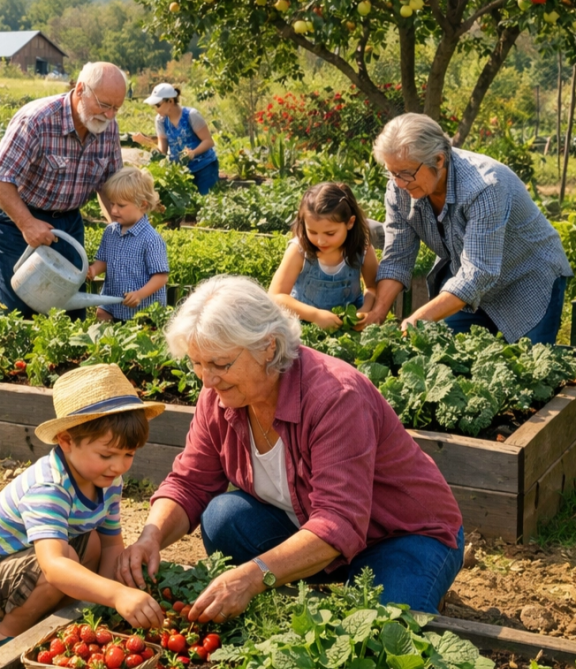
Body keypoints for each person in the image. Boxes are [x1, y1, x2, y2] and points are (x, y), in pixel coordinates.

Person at [117, 276, 465, 615]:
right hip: (311, 524)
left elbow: (339, 520)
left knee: (385, 624)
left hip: (401, 533)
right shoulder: (219, 397)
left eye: (220, 364)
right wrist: (151, 537)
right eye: (197, 364)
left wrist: (251, 577)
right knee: (223, 519)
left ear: (268, 346)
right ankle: (313, 575)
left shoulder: (335, 397)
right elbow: (189, 483)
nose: (207, 380)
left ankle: (416, 581)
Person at [0, 364, 167, 654]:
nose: (119, 466)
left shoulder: (108, 480)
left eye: (128, 454)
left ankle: (61, 622)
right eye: (106, 454)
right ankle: (5, 637)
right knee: (65, 559)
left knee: (93, 542)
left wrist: (103, 610)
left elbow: (111, 545)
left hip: (30, 566)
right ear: (66, 441)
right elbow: (55, 566)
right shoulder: (49, 486)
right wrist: (118, 594)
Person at [362, 113, 571, 344]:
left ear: (438, 160)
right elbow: (397, 258)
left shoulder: (484, 186)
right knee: (443, 352)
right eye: (392, 173)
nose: (399, 183)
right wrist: (377, 313)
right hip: (467, 281)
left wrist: (419, 318)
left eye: (406, 173)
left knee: (528, 363)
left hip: (527, 279)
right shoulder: (399, 189)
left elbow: (479, 271)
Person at [0, 63, 127, 317]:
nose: (109, 115)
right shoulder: (37, 120)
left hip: (67, 223)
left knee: (67, 311)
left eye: (116, 108)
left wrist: (122, 233)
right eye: (104, 105)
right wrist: (27, 224)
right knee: (18, 312)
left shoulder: (107, 127)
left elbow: (110, 187)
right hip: (17, 219)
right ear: (80, 90)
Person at [269, 182, 379, 331]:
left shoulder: (362, 249)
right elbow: (275, 296)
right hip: (304, 324)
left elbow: (372, 287)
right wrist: (315, 316)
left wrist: (365, 310)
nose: (321, 241)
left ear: (350, 223)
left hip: (348, 325)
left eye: (330, 233)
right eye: (313, 232)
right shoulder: (299, 251)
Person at [86, 167, 170, 323]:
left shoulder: (151, 239)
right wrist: (93, 270)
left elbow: (161, 277)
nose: (114, 210)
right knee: (101, 316)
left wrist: (139, 294)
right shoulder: (110, 231)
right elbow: (104, 260)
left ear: (142, 205)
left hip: (142, 308)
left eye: (121, 205)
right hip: (113, 300)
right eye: (112, 204)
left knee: (139, 335)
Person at [129, 83, 221, 195]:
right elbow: (162, 152)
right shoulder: (161, 120)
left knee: (206, 199)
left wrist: (193, 152)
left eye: (158, 105)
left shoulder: (191, 115)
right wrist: (145, 142)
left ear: (170, 101)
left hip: (205, 167)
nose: (156, 110)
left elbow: (208, 142)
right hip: (183, 171)